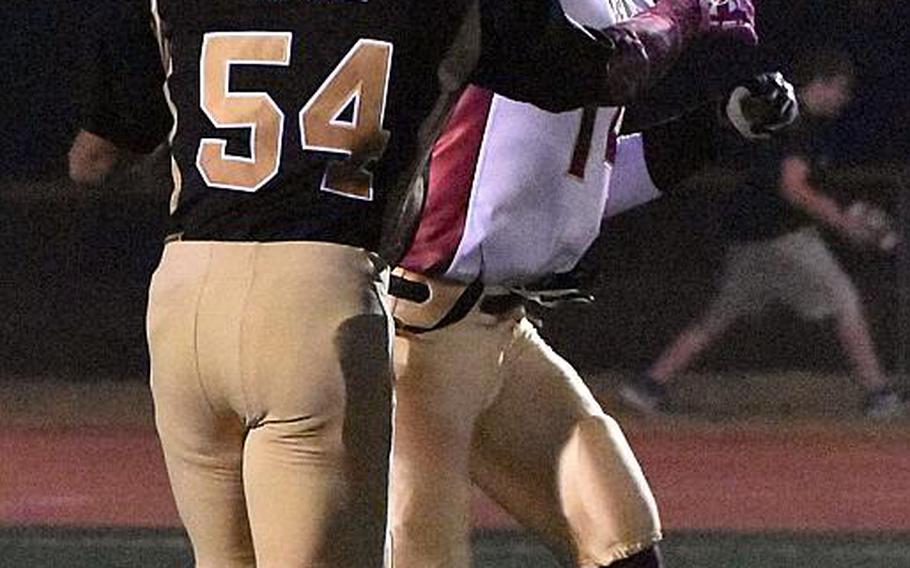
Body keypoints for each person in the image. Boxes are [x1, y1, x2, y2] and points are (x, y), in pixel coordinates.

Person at [69, 0, 760, 565]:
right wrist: (683, 17)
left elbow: (93, 159)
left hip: (185, 293)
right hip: (320, 296)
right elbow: (608, 69)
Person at [386, 9, 785, 568]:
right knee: (423, 552)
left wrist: (717, 126)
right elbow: (619, 62)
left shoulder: (607, 15)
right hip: (416, 340)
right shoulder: (538, 22)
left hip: (504, 335)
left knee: (621, 537)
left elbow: (582, 189)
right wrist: (683, 13)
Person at [619, 48, 905, 420]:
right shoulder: (803, 124)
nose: (844, 99)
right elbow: (794, 187)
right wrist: (845, 223)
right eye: (841, 89)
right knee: (845, 300)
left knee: (717, 317)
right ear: (822, 84)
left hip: (753, 237)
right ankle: (878, 394)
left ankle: (648, 385)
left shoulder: (782, 111)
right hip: (782, 237)